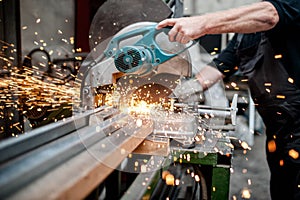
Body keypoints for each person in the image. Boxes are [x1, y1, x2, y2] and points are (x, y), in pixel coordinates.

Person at [157, 1, 300, 200]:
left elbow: (271, 15)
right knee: (283, 186)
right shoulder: (247, 31)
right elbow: (221, 65)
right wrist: (182, 89)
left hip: (299, 123)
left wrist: (203, 23)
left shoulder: (278, 8)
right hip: (279, 128)